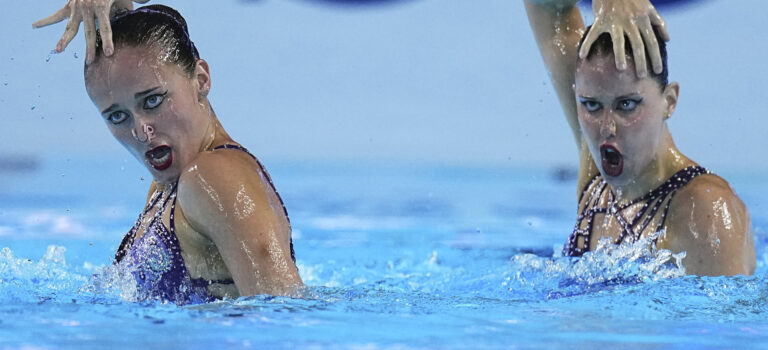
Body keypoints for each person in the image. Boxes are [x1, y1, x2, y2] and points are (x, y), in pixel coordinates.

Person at [34, 3, 303, 302]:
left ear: (201, 80)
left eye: (153, 101)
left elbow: (282, 310)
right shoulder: (166, 188)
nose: (141, 131)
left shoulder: (212, 177)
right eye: (117, 116)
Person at [524, 0, 755, 276]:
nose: (607, 127)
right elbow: (543, 7)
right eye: (591, 105)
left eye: (627, 105)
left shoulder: (705, 210)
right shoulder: (596, 180)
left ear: (669, 101)